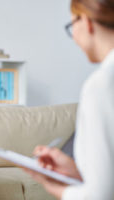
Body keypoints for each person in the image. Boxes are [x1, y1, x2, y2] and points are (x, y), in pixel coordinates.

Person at [24, 0, 114, 199]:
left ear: (87, 21)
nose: (73, 37)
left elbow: (100, 195)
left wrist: (56, 188)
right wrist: (75, 171)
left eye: (72, 25)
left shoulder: (100, 85)